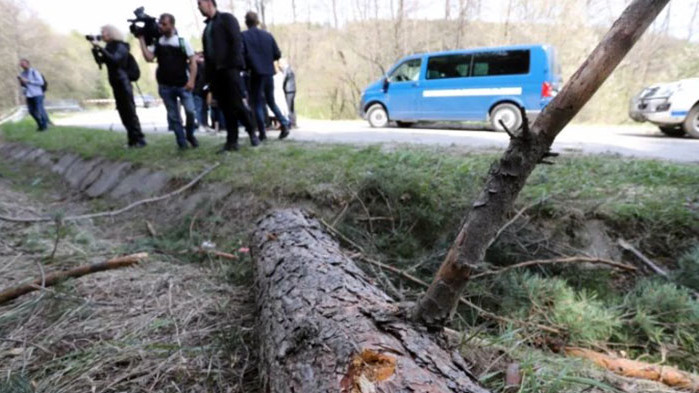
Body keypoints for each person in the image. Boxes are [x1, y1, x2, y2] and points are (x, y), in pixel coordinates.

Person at [197, 0, 259, 152]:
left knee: (237, 104)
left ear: (209, 2)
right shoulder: (207, 29)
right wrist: (208, 77)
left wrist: (234, 66)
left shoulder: (226, 19)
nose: (198, 7)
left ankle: (252, 131)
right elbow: (210, 53)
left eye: (200, 3)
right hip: (215, 74)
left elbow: (236, 42)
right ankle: (232, 141)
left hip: (230, 70)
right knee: (225, 107)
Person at [138, 14, 199, 150]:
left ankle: (190, 134)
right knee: (174, 117)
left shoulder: (182, 42)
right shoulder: (158, 42)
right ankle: (182, 143)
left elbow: (193, 62)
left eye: (164, 24)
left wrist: (192, 81)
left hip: (183, 84)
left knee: (190, 112)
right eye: (160, 23)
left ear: (172, 25)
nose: (161, 26)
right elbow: (149, 57)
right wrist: (141, 40)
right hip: (165, 86)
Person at [91, 25, 146, 148]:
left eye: (103, 32)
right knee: (123, 113)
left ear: (111, 33)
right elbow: (101, 61)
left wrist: (100, 48)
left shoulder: (121, 46)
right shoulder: (109, 47)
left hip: (123, 82)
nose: (102, 35)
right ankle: (132, 139)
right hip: (115, 83)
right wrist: (95, 50)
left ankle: (139, 139)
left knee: (130, 111)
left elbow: (115, 61)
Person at [242, 11, 290, 140]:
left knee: (256, 103)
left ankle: (262, 132)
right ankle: (284, 123)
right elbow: (277, 54)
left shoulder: (244, 36)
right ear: (257, 21)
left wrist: (247, 65)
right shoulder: (268, 36)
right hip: (268, 73)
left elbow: (242, 55)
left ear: (246, 22)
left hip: (254, 73)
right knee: (271, 101)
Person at [17, 59, 49, 131]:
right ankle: (40, 125)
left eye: (23, 64)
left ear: (28, 64)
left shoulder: (34, 72)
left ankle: (45, 127)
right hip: (29, 95)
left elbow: (41, 82)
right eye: (21, 64)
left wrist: (29, 81)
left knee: (40, 110)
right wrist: (21, 82)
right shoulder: (22, 74)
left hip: (37, 94)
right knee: (31, 111)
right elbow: (24, 86)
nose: (22, 65)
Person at [192, 52, 210, 131]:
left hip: (204, 91)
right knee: (198, 108)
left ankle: (205, 124)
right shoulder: (195, 66)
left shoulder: (204, 66)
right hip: (197, 90)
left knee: (204, 108)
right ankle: (200, 124)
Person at [279, 58, 297, 128]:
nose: (280, 65)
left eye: (281, 64)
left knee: (288, 107)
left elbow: (283, 79)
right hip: (292, 90)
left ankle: (290, 123)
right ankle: (293, 122)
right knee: (291, 107)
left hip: (289, 90)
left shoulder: (287, 69)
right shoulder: (290, 68)